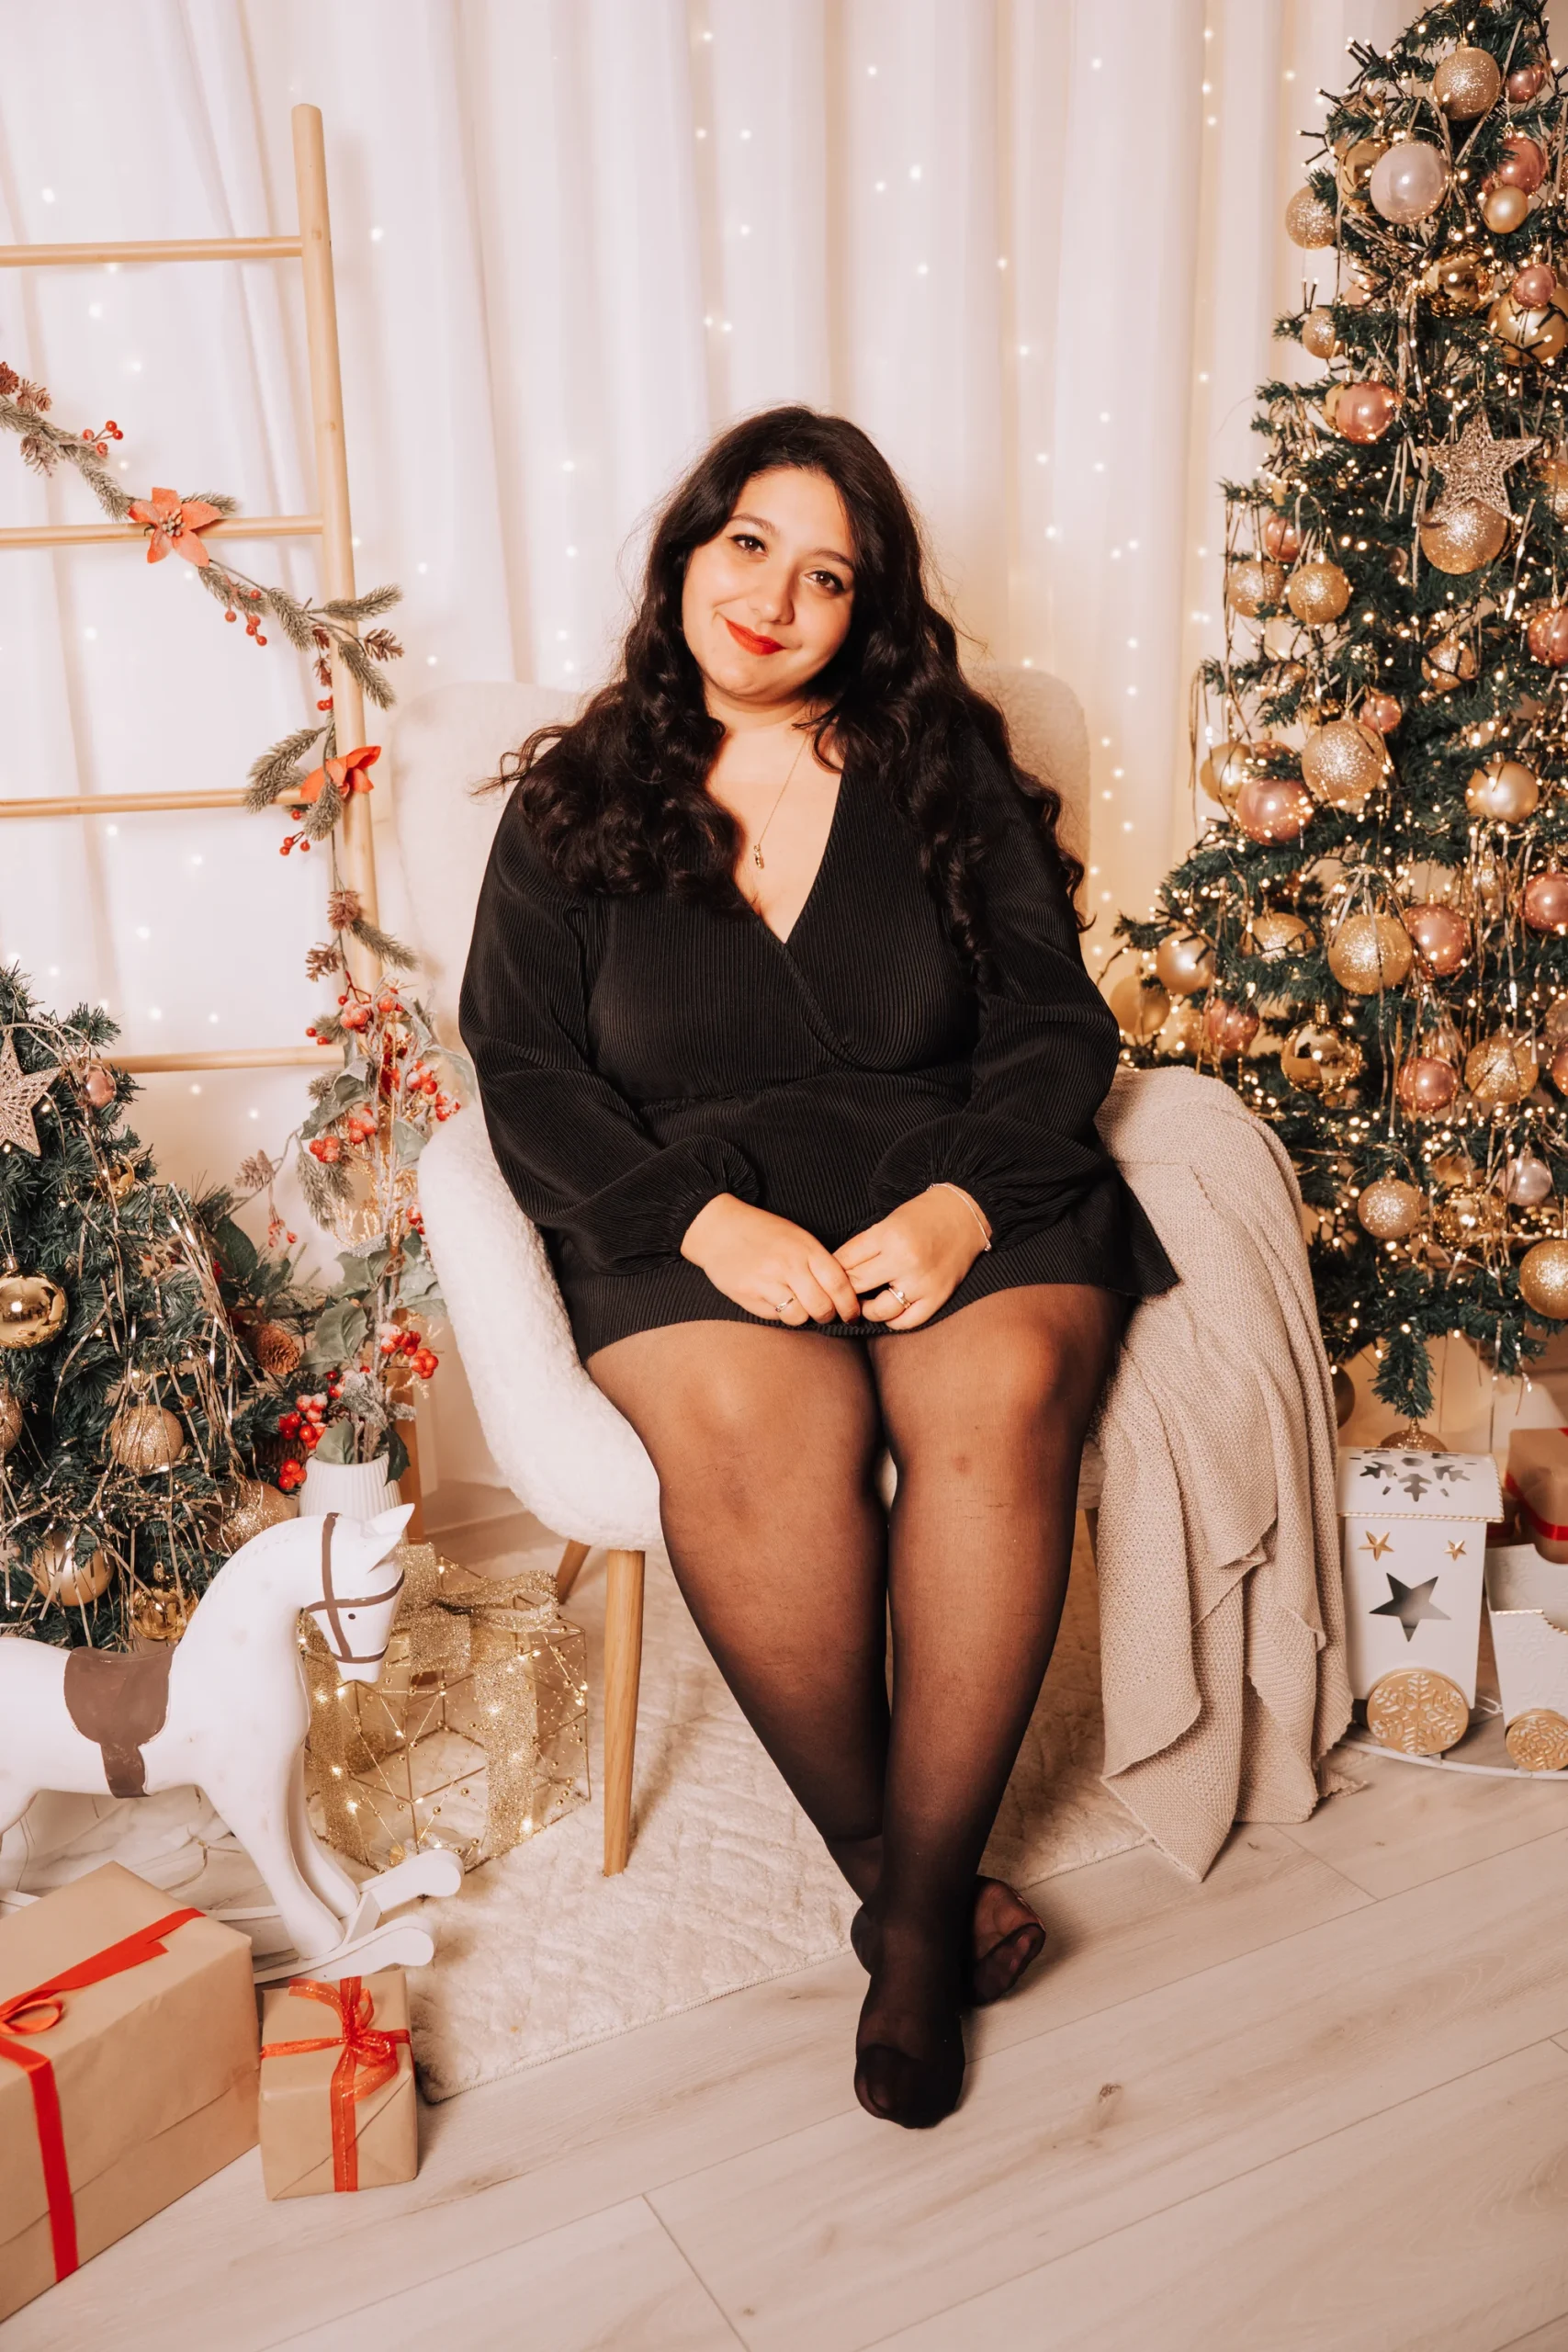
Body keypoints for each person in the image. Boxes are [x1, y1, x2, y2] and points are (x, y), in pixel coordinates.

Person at [460, 405, 1175, 2129]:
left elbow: (1052, 1023)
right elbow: (524, 1070)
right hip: (688, 1205)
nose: (774, 599)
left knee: (999, 1400)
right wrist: (698, 1222)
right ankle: (903, 1883)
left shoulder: (943, 772)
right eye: (747, 546)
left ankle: (908, 1934)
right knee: (753, 1433)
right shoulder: (570, 803)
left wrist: (963, 1206)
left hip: (958, 1172)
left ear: (869, 610)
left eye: (827, 575)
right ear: (687, 554)